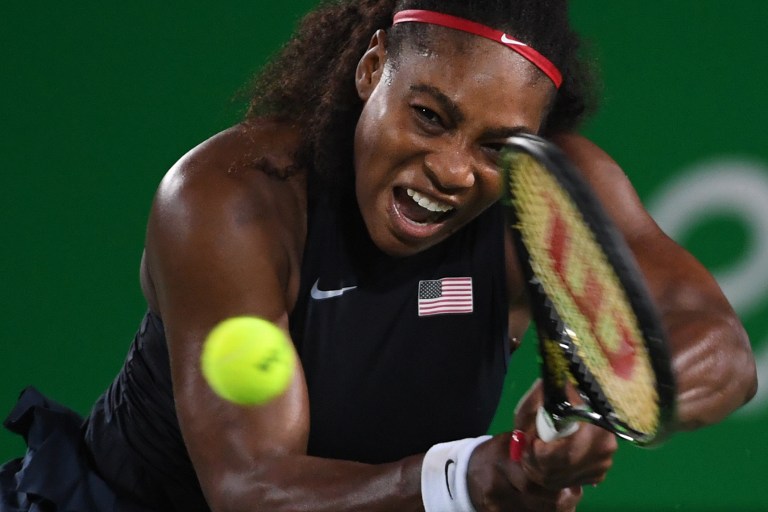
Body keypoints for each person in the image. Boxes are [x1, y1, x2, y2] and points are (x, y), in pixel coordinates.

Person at [0, 0, 757, 511]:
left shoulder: (545, 193)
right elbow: (249, 485)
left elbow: (722, 353)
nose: (455, 170)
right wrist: (470, 478)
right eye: (430, 116)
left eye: (497, 146)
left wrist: (596, 398)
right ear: (371, 72)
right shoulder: (232, 198)